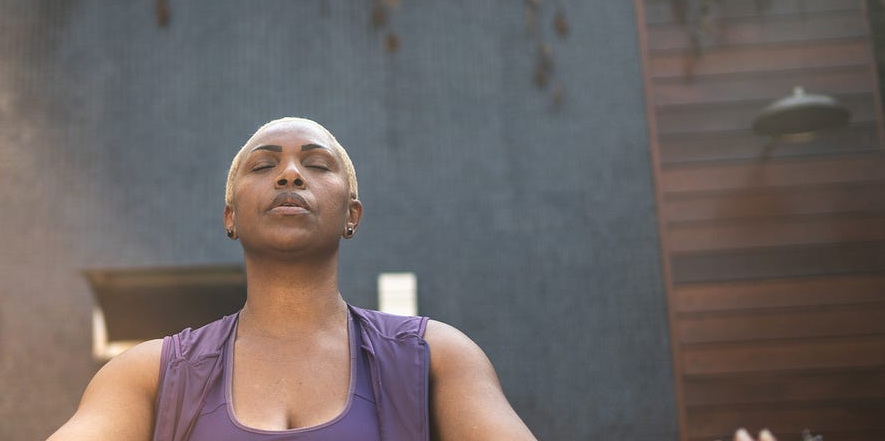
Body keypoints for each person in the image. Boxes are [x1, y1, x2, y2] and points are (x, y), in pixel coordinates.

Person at [49, 117, 536, 440]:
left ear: (353, 214)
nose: (289, 175)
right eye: (263, 165)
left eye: (317, 164)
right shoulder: (148, 375)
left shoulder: (436, 358)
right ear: (230, 217)